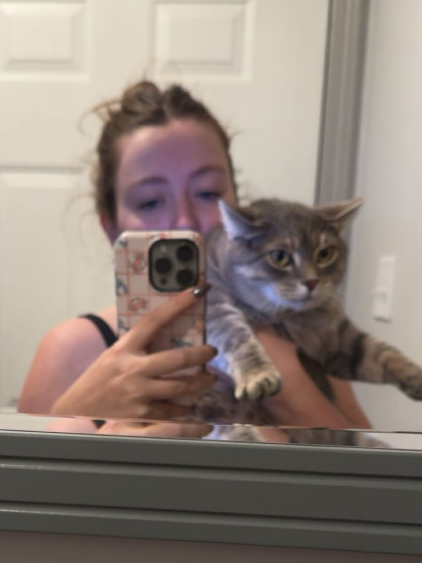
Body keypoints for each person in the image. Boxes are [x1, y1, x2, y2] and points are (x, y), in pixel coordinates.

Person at [19, 81, 371, 435]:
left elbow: (373, 469)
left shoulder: (303, 324)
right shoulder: (70, 350)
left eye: (207, 193)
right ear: (112, 228)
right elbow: (19, 471)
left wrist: (290, 390)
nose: (185, 221)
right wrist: (81, 417)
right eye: (150, 201)